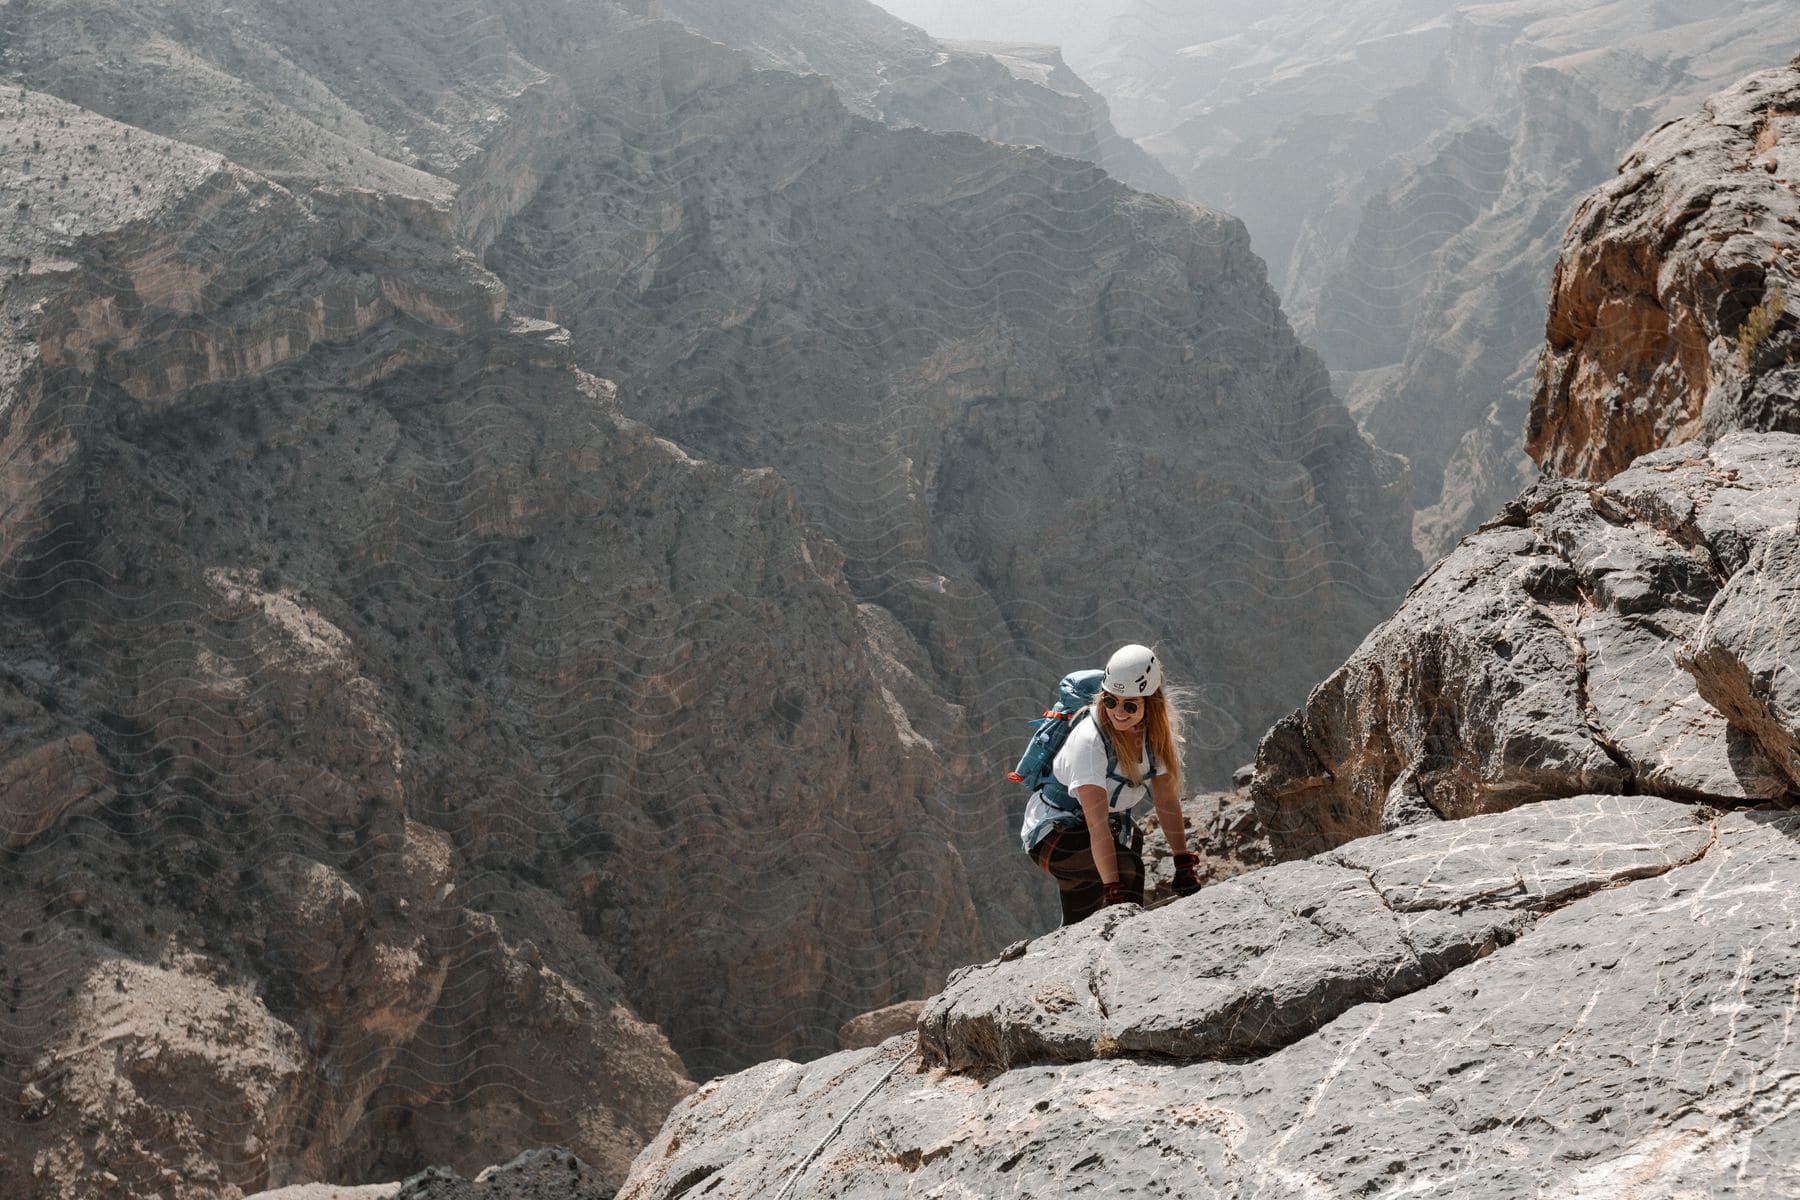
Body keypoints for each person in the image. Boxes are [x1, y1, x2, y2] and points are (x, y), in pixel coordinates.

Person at [1020, 643, 1201, 925]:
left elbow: (1166, 802)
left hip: (1084, 833)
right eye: (1110, 700)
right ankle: (1129, 945)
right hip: (1050, 833)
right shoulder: (1090, 740)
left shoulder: (1155, 738)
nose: (1118, 711)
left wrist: (1182, 862)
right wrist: (1115, 893)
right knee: (1128, 869)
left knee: (1079, 923)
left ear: (1150, 704)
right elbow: (1097, 824)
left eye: (1129, 705)